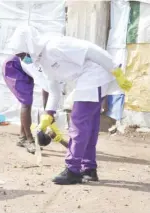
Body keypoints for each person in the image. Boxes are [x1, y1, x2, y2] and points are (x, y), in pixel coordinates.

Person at [9, 26, 131, 185]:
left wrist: (116, 70)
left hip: (94, 76)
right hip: (88, 80)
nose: (22, 59)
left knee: (79, 123)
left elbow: (91, 50)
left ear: (29, 46)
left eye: (22, 55)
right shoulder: (42, 61)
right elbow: (54, 90)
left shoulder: (54, 46)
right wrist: (48, 114)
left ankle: (73, 169)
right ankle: (88, 169)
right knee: (90, 125)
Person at [3, 53, 50, 153]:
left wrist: (47, 113)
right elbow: (46, 87)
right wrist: (48, 113)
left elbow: (47, 88)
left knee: (28, 101)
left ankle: (22, 138)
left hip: (25, 66)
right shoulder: (48, 66)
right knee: (26, 102)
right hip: (14, 67)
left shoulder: (53, 68)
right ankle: (29, 140)